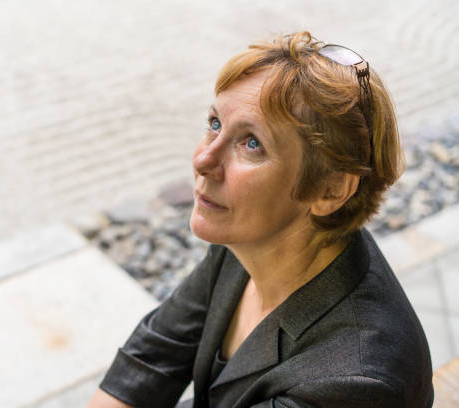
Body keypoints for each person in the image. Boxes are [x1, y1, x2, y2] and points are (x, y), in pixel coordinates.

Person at [87, 31, 433, 408]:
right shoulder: (251, 239)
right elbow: (151, 360)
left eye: (252, 143)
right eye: (215, 123)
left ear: (330, 190)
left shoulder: (355, 381)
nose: (203, 160)